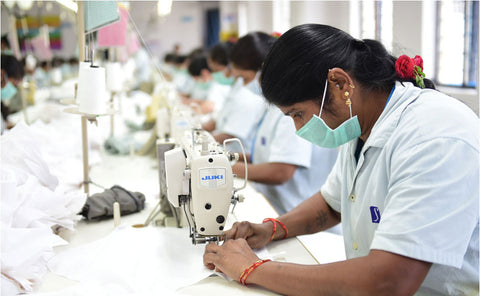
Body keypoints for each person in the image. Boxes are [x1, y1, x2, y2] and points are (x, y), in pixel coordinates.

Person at [203, 24, 479, 295]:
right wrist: (271, 229)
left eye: (298, 114)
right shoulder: (361, 125)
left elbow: (390, 281)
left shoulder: (435, 136)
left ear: (339, 84)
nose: (298, 129)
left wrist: (253, 269)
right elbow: (332, 203)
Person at [208, 32, 274, 153]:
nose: (243, 85)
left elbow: (280, 169)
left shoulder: (253, 100)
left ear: (263, 70)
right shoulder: (247, 94)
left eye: (244, 79)